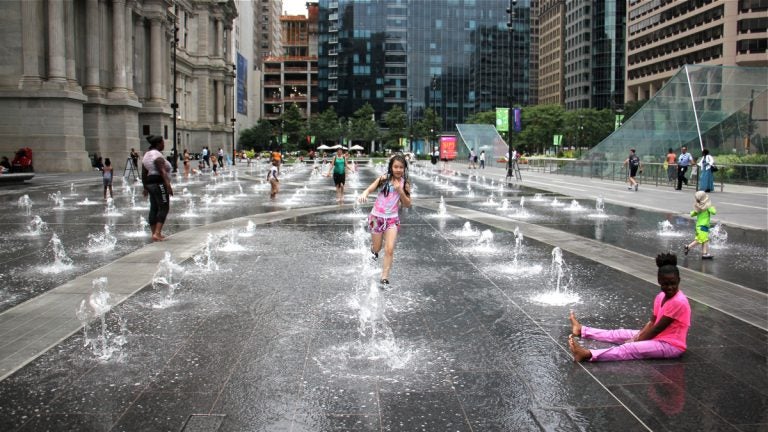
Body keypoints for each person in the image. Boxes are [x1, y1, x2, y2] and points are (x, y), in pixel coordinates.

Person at [568, 252, 690, 362]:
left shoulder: (678, 302)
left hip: (671, 346)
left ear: (679, 280)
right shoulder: (661, 296)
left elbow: (657, 329)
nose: (670, 287)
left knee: (629, 348)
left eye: (673, 283)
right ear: (659, 281)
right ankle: (582, 330)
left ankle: (587, 354)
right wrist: (639, 335)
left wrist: (636, 341)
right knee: (620, 333)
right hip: (659, 337)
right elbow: (652, 322)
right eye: (665, 284)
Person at [357, 154, 412, 287]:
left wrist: (400, 191)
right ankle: (373, 251)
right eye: (395, 167)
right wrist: (365, 193)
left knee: (389, 249)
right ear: (391, 167)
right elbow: (370, 188)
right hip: (376, 218)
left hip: (392, 220)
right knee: (377, 247)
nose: (398, 169)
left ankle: (384, 277)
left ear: (404, 168)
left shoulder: (405, 184)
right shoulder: (384, 179)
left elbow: (408, 204)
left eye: (401, 167)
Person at [142, 135, 173, 242]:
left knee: (154, 207)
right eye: (163, 142)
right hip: (159, 182)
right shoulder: (157, 155)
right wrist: (168, 185)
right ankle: (157, 233)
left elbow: (144, 172)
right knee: (164, 207)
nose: (164, 144)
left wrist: (145, 187)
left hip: (150, 182)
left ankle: (154, 233)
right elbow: (162, 170)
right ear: (158, 143)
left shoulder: (146, 155)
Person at [684, 191, 716, 259]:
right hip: (703, 226)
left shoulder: (699, 207)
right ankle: (688, 247)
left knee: (704, 240)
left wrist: (692, 212)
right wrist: (711, 207)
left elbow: (693, 214)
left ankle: (704, 254)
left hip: (699, 226)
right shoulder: (707, 207)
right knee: (700, 240)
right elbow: (714, 212)